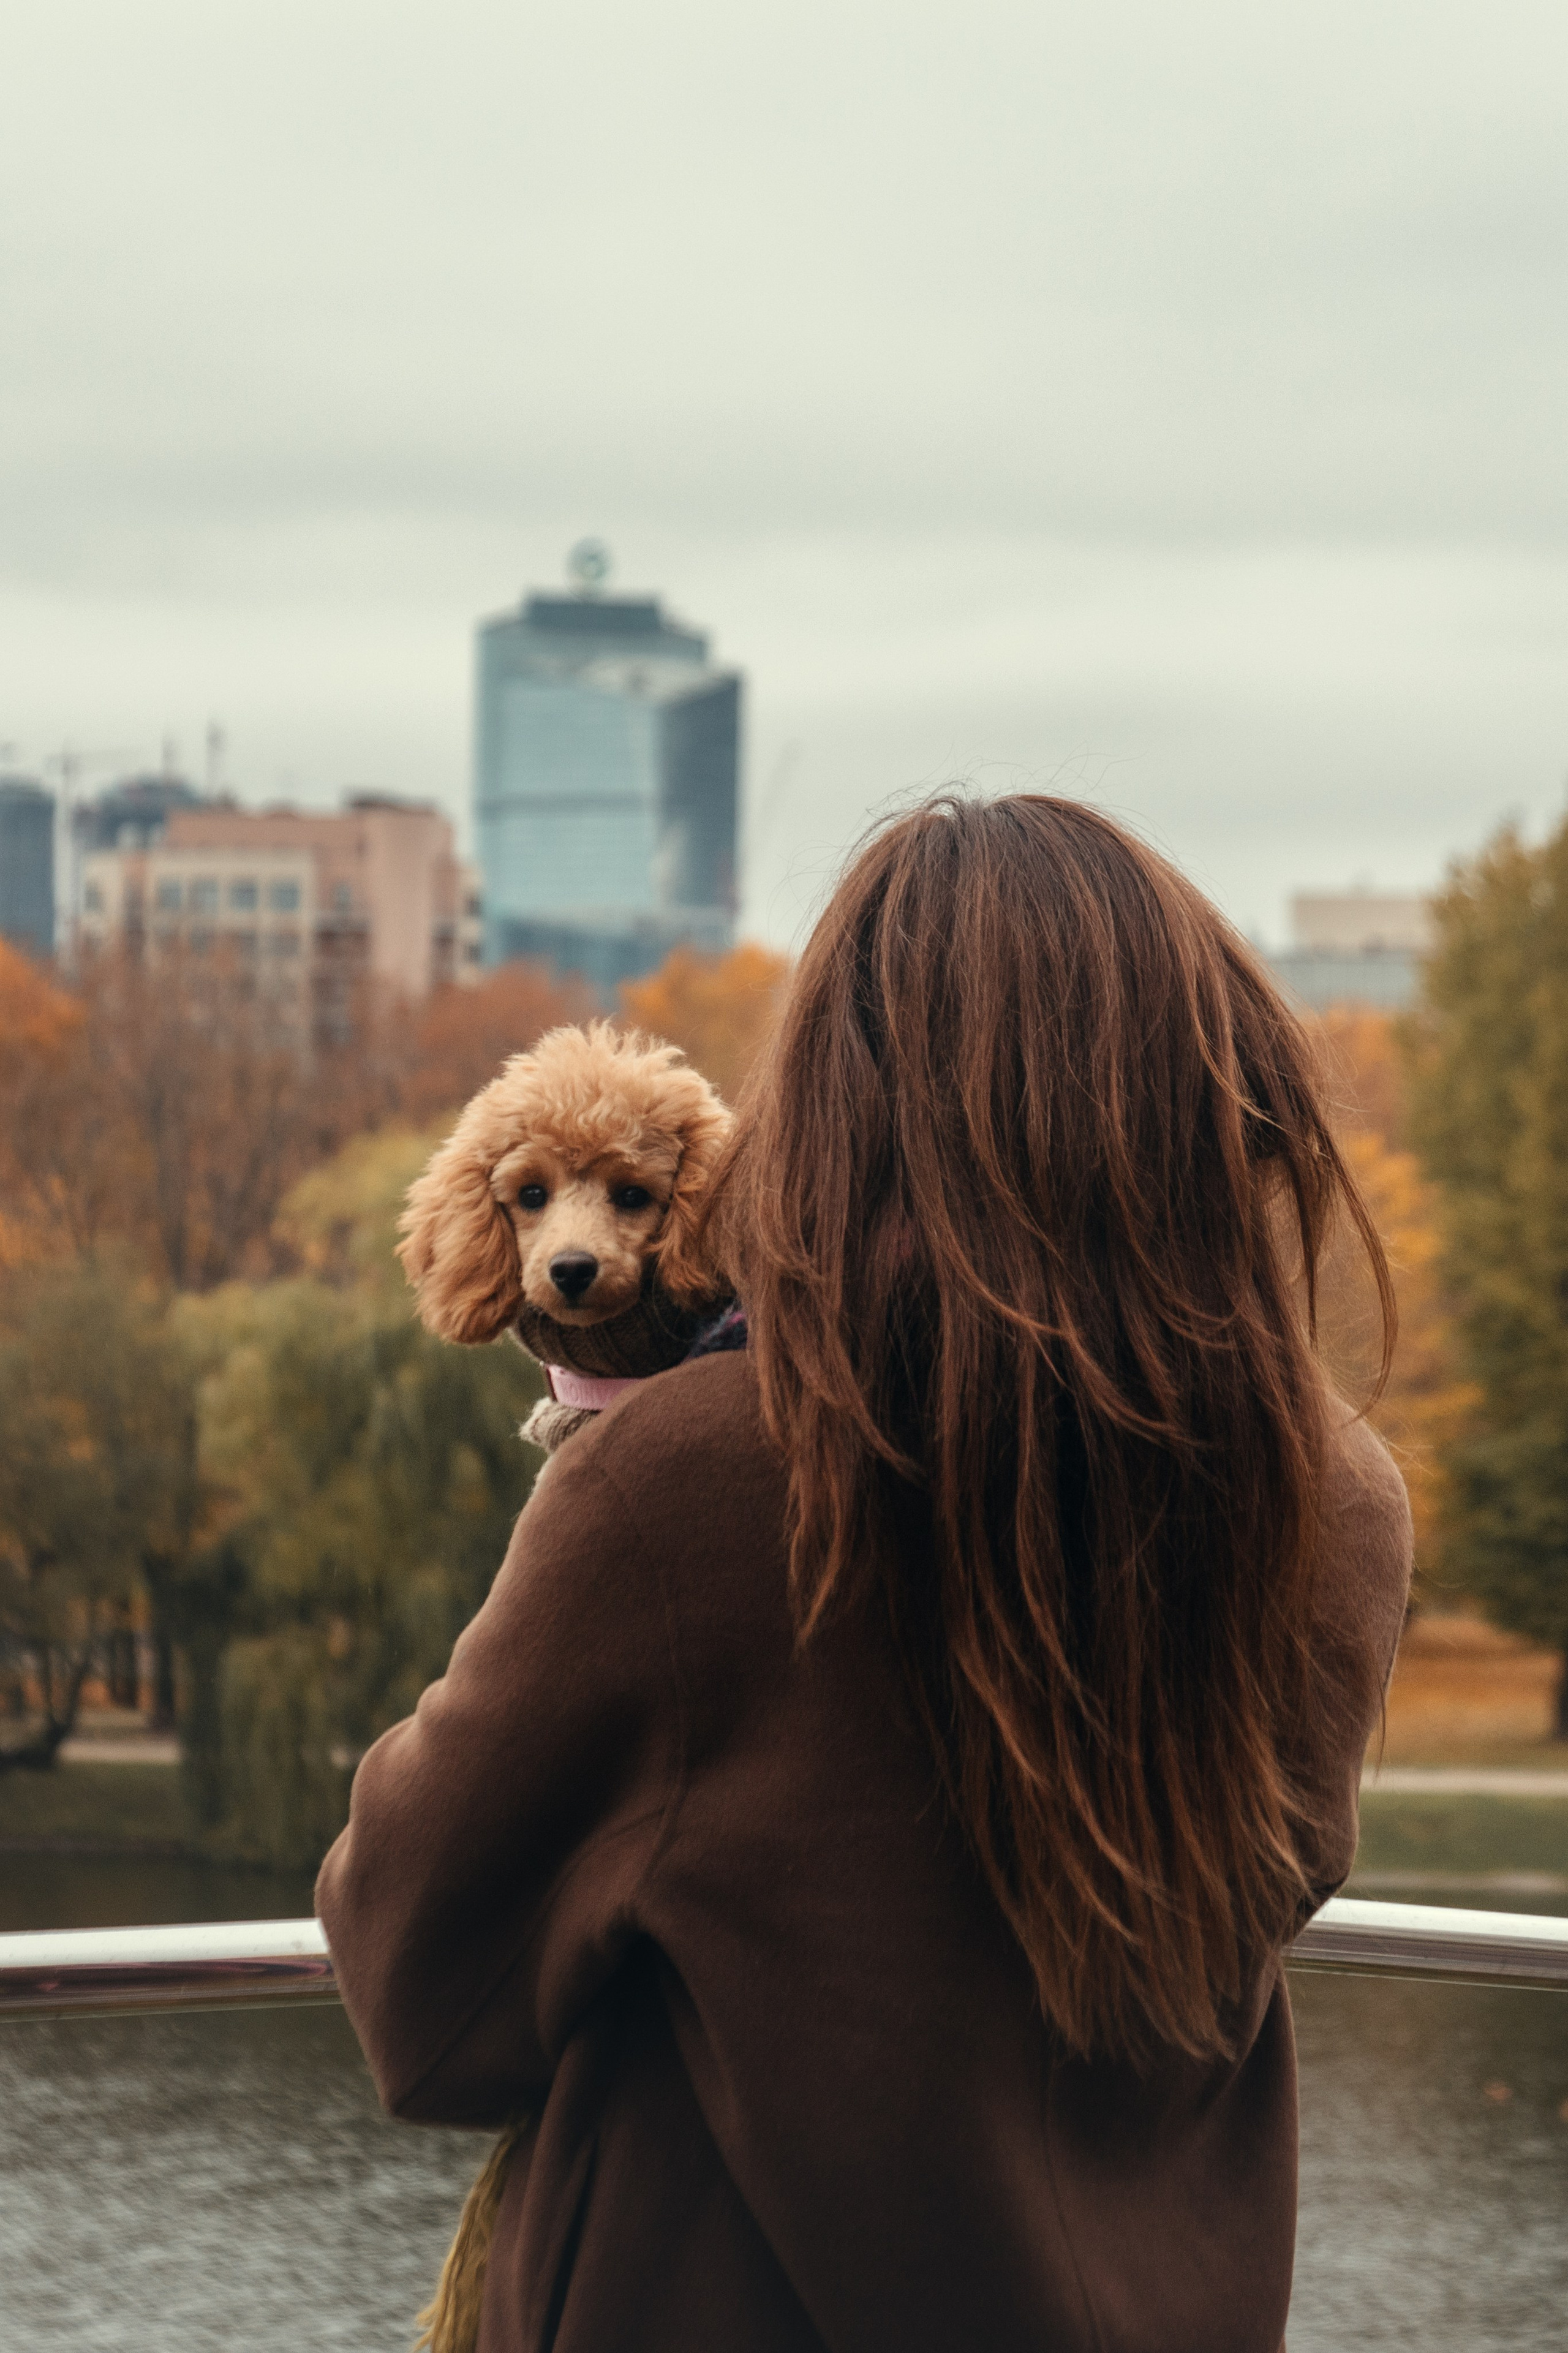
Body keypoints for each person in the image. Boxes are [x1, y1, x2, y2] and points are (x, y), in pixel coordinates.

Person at [317, 793, 1412, 2353]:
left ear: (835, 1111)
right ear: (1208, 1115)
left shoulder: (692, 1478)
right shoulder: (1336, 1507)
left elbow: (425, 2001)